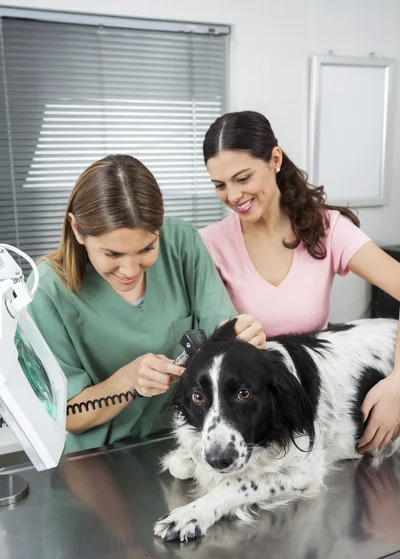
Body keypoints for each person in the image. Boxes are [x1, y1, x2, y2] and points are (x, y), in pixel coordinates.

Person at [27, 154, 265, 454]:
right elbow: (67, 415)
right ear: (77, 230)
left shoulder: (182, 242)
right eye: (112, 254)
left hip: (191, 442)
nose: (130, 270)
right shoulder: (47, 291)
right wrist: (128, 381)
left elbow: (222, 338)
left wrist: (242, 336)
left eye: (147, 248)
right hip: (102, 458)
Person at [200, 110, 400, 453]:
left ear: (274, 159)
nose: (233, 196)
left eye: (243, 178)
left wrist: (398, 386)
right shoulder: (208, 245)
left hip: (317, 415)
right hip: (249, 426)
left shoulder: (327, 228)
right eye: (220, 185)